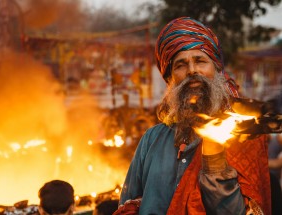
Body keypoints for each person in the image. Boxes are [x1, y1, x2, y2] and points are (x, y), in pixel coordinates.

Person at [113, 17, 271, 215]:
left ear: (216, 69)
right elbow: (127, 205)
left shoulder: (241, 136)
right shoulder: (152, 139)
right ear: (170, 78)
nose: (192, 70)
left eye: (200, 61)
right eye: (181, 65)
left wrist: (214, 157)